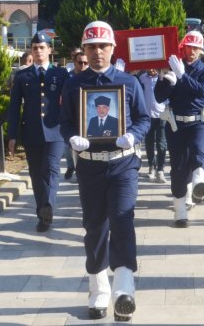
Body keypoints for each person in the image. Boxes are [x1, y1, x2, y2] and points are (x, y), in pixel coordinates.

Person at [60, 20, 150, 320]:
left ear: (113, 48)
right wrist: (71, 137)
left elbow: (144, 118)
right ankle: (98, 290)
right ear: (84, 49)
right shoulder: (74, 84)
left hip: (123, 163)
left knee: (123, 221)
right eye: (92, 46)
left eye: (103, 45)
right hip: (90, 166)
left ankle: (124, 290)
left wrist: (134, 135)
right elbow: (65, 122)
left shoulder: (128, 82)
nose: (98, 51)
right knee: (95, 226)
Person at [7, 31, 69, 233]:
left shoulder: (60, 74)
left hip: (56, 132)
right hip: (31, 131)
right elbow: (14, 107)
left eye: (42, 47)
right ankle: (42, 213)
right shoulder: (22, 75)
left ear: (50, 50)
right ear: (31, 51)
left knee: (51, 170)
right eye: (35, 48)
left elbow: (70, 103)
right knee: (36, 174)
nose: (39, 51)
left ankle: (48, 206)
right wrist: (12, 135)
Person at [155, 30, 204, 227]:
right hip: (175, 123)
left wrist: (182, 75)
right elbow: (158, 96)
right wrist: (167, 81)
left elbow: (203, 92)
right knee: (178, 168)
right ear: (184, 47)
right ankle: (180, 211)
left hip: (197, 121)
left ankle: (200, 182)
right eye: (190, 47)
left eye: (196, 48)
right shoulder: (172, 66)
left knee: (199, 149)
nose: (192, 51)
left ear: (201, 50)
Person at [138, 68, 168, 183]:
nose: (151, 70)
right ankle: (152, 165)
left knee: (161, 143)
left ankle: (160, 170)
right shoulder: (143, 78)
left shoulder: (164, 78)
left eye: (153, 67)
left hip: (161, 114)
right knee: (149, 142)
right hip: (147, 115)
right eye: (149, 67)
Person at [63, 51, 89, 180]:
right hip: (73, 122)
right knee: (69, 148)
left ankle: (82, 175)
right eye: (80, 62)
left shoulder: (92, 79)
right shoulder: (69, 80)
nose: (83, 65)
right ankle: (71, 166)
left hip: (89, 123)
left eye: (86, 63)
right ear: (75, 63)